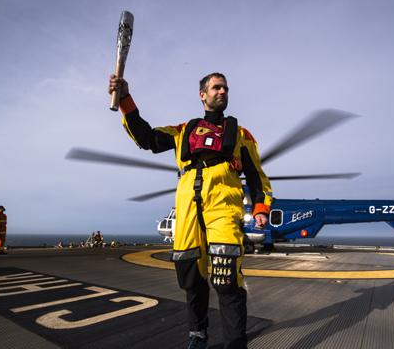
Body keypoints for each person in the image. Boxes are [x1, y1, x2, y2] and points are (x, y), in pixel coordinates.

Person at [109, 72, 272, 348]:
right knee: (191, 275)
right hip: (187, 209)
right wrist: (124, 98)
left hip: (222, 206)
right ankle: (197, 335)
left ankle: (235, 342)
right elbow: (146, 138)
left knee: (226, 276)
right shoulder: (183, 130)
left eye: (226, 88)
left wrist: (261, 207)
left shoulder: (242, 136)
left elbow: (256, 176)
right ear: (203, 95)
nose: (222, 92)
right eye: (216, 87)